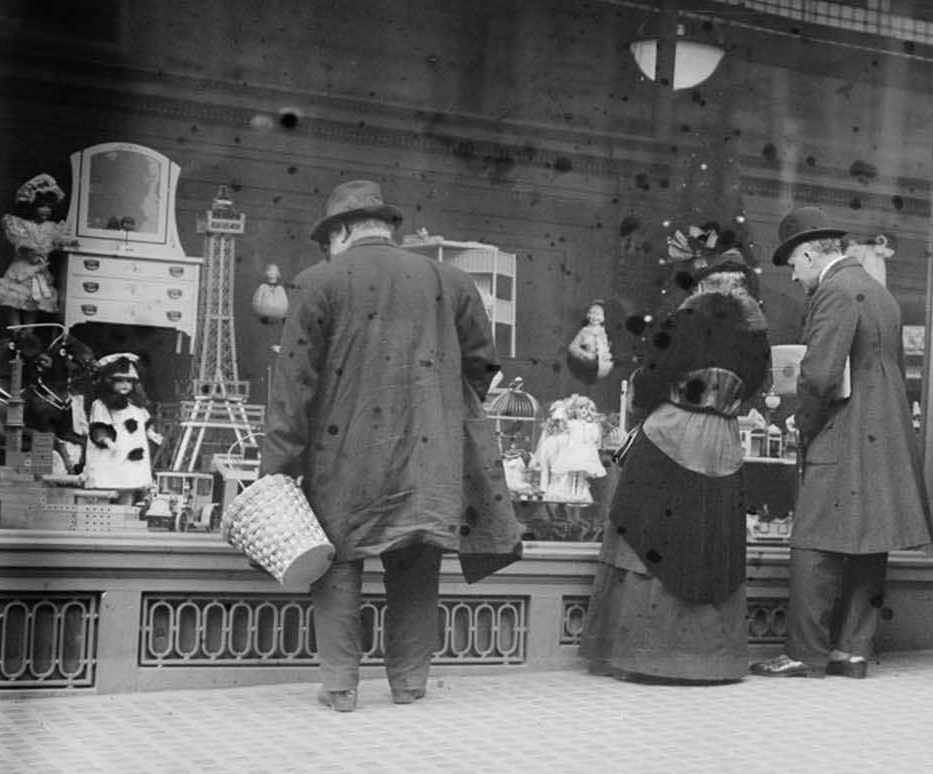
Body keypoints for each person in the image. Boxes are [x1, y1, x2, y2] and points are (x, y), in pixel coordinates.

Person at [261, 179, 523, 712]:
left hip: (343, 453)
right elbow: (483, 366)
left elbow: (292, 387)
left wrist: (277, 472)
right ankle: (409, 683)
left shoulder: (317, 281)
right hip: (430, 452)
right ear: (387, 227)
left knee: (335, 562)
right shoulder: (451, 280)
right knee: (417, 560)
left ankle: (339, 686)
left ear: (341, 231)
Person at [751, 207, 932, 679]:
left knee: (812, 543)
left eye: (793, 264)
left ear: (810, 255)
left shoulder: (832, 293)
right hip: (883, 439)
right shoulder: (880, 294)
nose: (793, 276)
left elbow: (820, 375)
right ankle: (852, 651)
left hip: (841, 434)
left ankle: (804, 654)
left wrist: (800, 425)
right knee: (869, 542)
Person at [580, 256, 771, 683]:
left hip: (673, 432)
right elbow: (758, 388)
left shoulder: (683, 321)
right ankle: (710, 661)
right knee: (711, 543)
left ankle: (647, 657)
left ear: (701, 285)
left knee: (647, 534)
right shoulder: (757, 333)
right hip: (723, 441)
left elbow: (647, 386)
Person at [0, 173, 77, 329]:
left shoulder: (51, 227)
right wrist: (30, 253)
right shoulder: (21, 224)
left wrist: (66, 243)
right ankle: (15, 331)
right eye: (42, 206)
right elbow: (20, 243)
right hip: (21, 270)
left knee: (33, 302)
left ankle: (29, 333)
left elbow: (61, 240)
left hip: (39, 273)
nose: (46, 210)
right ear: (31, 206)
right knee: (13, 301)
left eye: (49, 206)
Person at [82, 353, 161, 497]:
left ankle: (127, 510)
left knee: (128, 487)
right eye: (119, 381)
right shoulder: (101, 405)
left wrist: (152, 434)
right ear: (109, 382)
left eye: (128, 381)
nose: (125, 385)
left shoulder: (136, 406)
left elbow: (144, 424)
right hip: (112, 452)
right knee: (108, 485)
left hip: (132, 454)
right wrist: (108, 441)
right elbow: (99, 427)